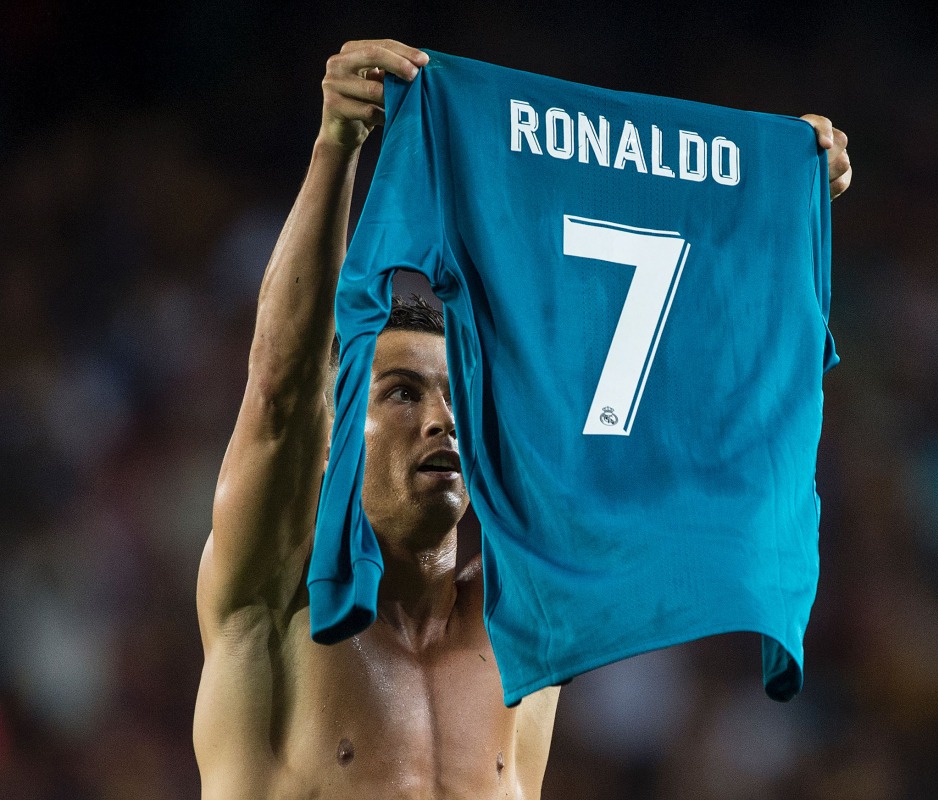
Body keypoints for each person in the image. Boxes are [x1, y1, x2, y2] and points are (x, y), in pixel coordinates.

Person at [192, 38, 851, 799]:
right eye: (402, 393)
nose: (442, 419)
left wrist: (766, 201)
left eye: (456, 395)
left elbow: (655, 364)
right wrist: (336, 146)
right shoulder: (277, 597)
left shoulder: (532, 611)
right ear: (343, 432)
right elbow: (280, 387)